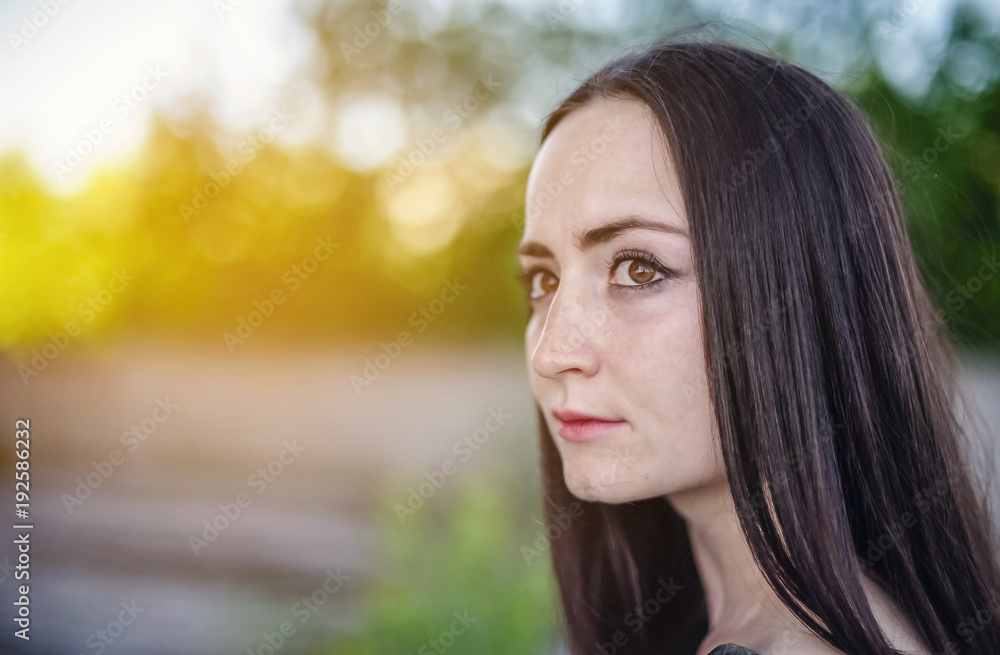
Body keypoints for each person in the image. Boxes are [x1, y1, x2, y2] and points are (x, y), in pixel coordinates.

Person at [516, 38, 1000, 655]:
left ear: (797, 298)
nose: (552, 351)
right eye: (544, 280)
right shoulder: (680, 615)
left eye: (637, 269)